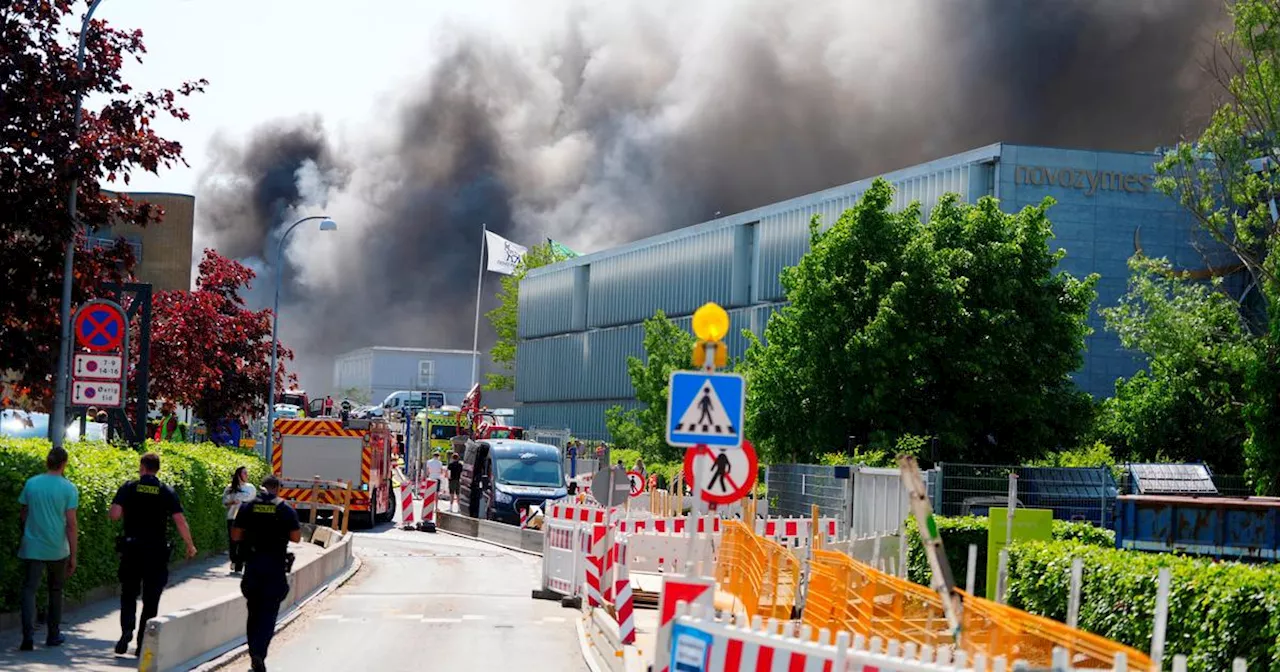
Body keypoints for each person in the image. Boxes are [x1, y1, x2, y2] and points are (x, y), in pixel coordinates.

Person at [110, 452, 197, 656]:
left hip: (131, 550)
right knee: (151, 599)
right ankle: (142, 643)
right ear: (157, 468)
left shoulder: (129, 487)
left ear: (142, 467)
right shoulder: (165, 491)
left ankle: (126, 632)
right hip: (156, 552)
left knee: (128, 593)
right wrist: (190, 545)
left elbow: (114, 514)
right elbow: (180, 521)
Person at [232, 476, 301, 672]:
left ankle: (254, 651)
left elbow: (236, 535)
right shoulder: (284, 509)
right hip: (275, 568)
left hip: (252, 567)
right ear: (277, 489)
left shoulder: (247, 507)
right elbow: (296, 538)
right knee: (269, 614)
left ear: (262, 487)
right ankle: (259, 653)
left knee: (253, 612)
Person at [16, 447, 78, 651]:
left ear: (47, 462)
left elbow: (23, 513)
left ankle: (27, 636)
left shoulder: (32, 483)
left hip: (32, 545)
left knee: (29, 590)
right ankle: (53, 634)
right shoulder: (68, 488)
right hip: (57, 548)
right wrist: (73, 555)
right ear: (64, 464)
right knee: (55, 590)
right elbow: (71, 524)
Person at [222, 466, 256, 573]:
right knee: (233, 541)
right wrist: (232, 502)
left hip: (246, 519)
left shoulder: (251, 488)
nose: (247, 475)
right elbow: (224, 503)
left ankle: (239, 565)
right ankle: (234, 559)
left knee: (244, 542)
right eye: (244, 473)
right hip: (233, 518)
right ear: (239, 475)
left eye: (247, 473)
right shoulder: (229, 488)